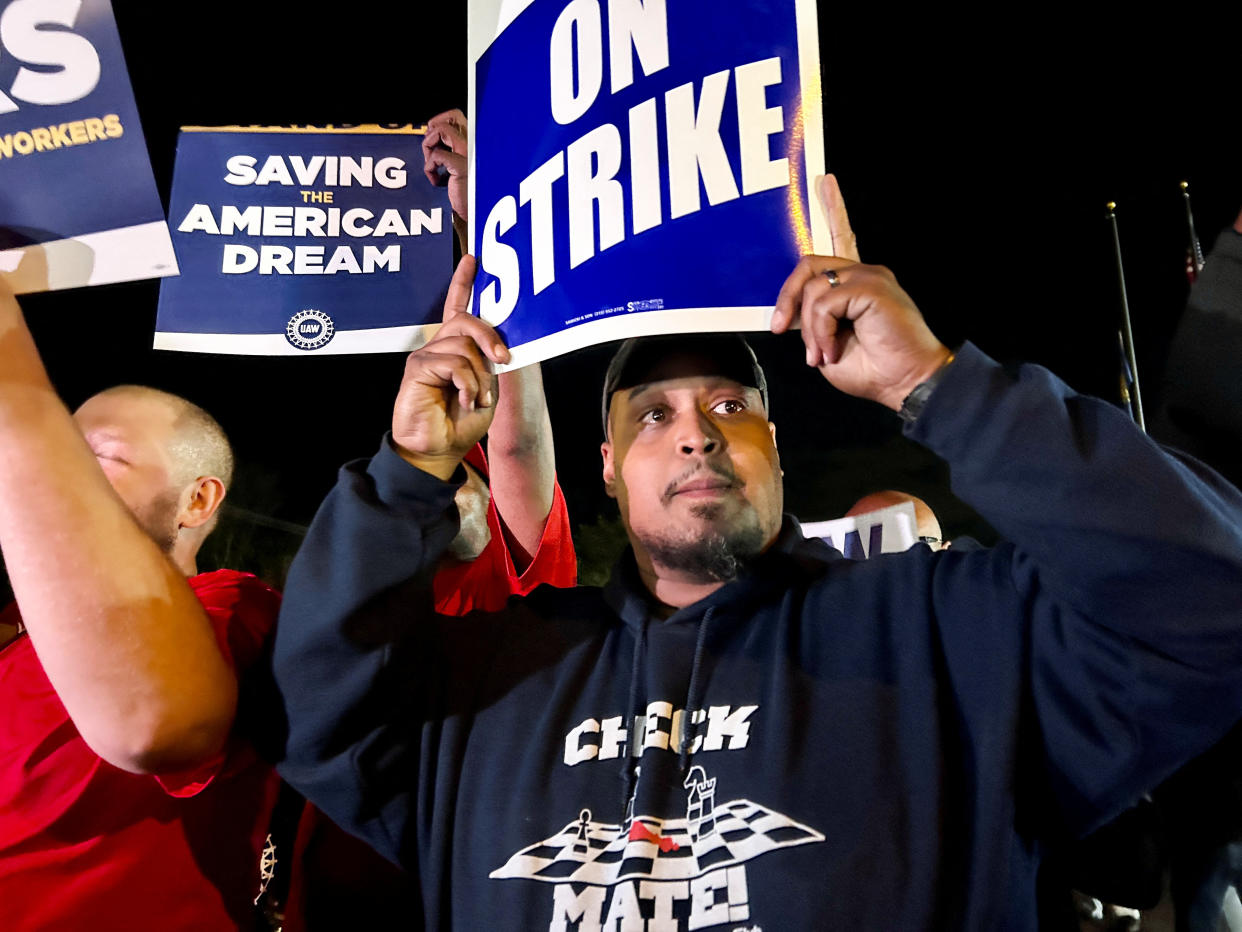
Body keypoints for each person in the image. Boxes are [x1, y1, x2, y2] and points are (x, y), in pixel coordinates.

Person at [268, 181, 1242, 929]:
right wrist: (407, 473)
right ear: (607, 469)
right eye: (654, 415)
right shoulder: (493, 674)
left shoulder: (948, 629)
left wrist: (937, 386)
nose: (697, 433)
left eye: (731, 407)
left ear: (777, 448)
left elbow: (1205, 598)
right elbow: (317, 697)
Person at [278, 108, 578, 930]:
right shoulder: (348, 601)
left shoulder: (517, 582)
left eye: (468, 480)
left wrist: (488, 225)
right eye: (437, 481)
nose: (456, 492)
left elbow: (514, 440)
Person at [0, 279, 281, 930]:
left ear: (198, 501)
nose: (61, 475)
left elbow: (153, 723)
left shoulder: (235, 611)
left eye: (96, 457)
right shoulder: (23, 632)